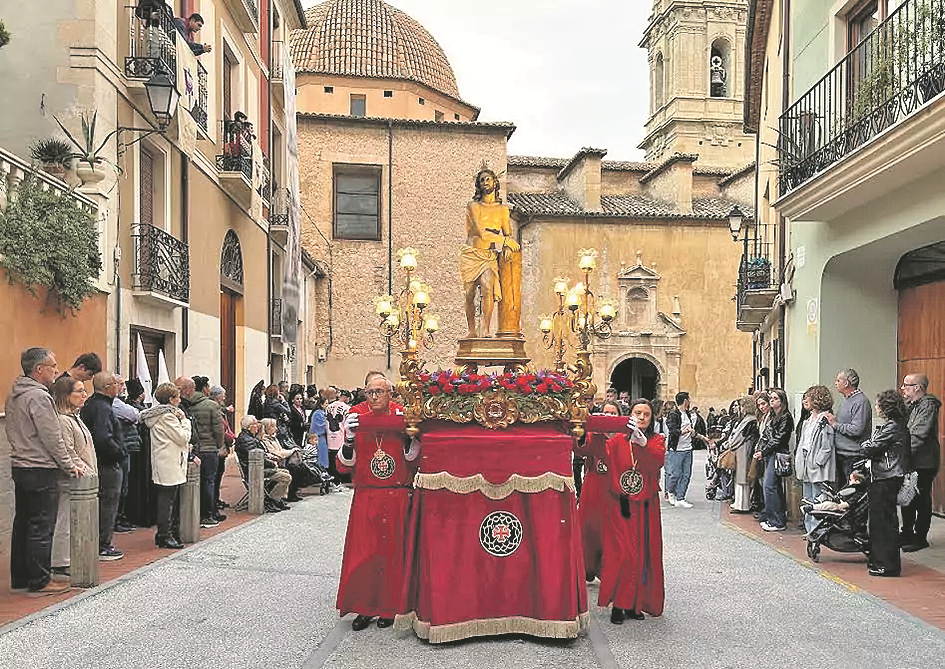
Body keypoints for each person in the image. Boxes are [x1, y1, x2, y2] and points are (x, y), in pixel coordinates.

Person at [337, 371, 417, 631]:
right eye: (370, 392)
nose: (373, 397)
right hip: (367, 496)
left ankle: (389, 608)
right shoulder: (357, 418)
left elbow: (413, 458)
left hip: (396, 496)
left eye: (379, 392)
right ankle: (364, 607)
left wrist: (409, 436)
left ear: (389, 393)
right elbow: (344, 464)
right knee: (365, 554)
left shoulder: (401, 416)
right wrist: (348, 440)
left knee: (393, 555)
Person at [7, 348, 82, 595]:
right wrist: (69, 464)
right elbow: (52, 436)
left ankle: (21, 577)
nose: (57, 370)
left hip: (21, 465)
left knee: (24, 524)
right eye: (53, 365)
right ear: (39, 370)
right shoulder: (39, 397)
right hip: (40, 467)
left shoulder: (15, 393)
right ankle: (39, 581)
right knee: (41, 525)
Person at [593, 399, 666, 623]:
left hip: (645, 506)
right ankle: (619, 603)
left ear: (652, 418)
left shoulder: (656, 440)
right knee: (622, 553)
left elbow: (657, 462)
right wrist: (598, 431)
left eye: (646, 414)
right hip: (621, 503)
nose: (642, 417)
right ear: (630, 415)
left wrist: (643, 445)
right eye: (637, 413)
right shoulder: (617, 441)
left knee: (642, 553)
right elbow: (600, 456)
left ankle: (635, 603)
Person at [460, 168, 521, 338]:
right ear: (478, 186)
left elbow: (508, 233)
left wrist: (508, 247)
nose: (485, 182)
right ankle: (471, 330)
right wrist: (506, 242)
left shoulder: (502, 209)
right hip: (472, 253)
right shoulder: (473, 206)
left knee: (488, 287)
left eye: (488, 179)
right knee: (469, 293)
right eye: (482, 180)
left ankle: (485, 329)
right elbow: (481, 231)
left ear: (495, 182)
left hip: (488, 255)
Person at [51, 376, 98, 579]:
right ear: (65, 395)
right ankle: (61, 561)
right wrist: (84, 471)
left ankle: (73, 556)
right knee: (65, 518)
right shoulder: (62, 420)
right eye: (79, 391)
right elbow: (68, 451)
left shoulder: (75, 417)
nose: (84, 395)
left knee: (75, 520)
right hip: (73, 478)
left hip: (85, 478)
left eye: (84, 391)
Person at [860, 390, 910, 577]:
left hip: (886, 477)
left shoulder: (892, 427)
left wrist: (866, 445)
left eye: (878, 404)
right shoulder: (896, 425)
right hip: (888, 476)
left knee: (882, 523)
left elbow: (871, 447)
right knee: (884, 521)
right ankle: (882, 561)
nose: (876, 407)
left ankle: (886, 564)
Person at [140, 382, 193, 549]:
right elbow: (182, 437)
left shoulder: (162, 415)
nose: (179, 399)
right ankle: (165, 535)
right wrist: (185, 422)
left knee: (168, 500)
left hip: (167, 461)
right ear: (171, 399)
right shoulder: (167, 417)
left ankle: (167, 533)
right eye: (177, 396)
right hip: (168, 462)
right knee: (167, 501)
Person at [81, 372, 127, 561]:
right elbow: (103, 437)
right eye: (116, 384)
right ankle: (103, 544)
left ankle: (100, 542)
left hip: (99, 461)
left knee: (104, 502)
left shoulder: (92, 404)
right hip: (107, 464)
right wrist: (119, 453)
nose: (120, 387)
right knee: (108, 503)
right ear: (108, 387)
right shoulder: (103, 408)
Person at [578, 401, 622, 583]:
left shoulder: (623, 437)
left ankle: (606, 569)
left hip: (614, 489)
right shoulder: (592, 434)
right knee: (588, 528)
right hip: (593, 486)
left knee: (610, 531)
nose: (609, 416)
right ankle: (586, 567)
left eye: (613, 413)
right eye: (605, 413)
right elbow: (581, 451)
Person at [899, 373, 940, 553]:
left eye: (906, 385)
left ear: (917, 387)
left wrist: (902, 453)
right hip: (911, 460)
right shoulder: (910, 406)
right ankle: (906, 532)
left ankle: (920, 536)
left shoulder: (928, 406)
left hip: (924, 461)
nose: (902, 388)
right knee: (907, 497)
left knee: (921, 499)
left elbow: (918, 434)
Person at [183, 376, 225, 528]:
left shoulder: (187, 404)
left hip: (193, 448)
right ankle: (208, 514)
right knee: (209, 481)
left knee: (195, 482)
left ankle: (196, 513)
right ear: (206, 388)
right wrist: (219, 445)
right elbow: (218, 429)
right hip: (209, 448)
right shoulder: (212, 405)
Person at [793, 385, 836, 533]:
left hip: (816, 463)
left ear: (817, 399)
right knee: (807, 497)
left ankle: (818, 529)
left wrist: (818, 461)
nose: (805, 400)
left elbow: (827, 445)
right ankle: (809, 527)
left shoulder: (825, 419)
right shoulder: (809, 419)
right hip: (806, 460)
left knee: (818, 497)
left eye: (808, 397)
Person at [754, 388, 794, 532]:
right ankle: (773, 517)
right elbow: (766, 435)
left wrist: (763, 451)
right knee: (772, 486)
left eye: (775, 398)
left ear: (782, 401)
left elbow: (779, 439)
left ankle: (777, 520)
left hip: (777, 454)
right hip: (771, 453)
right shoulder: (774, 416)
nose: (772, 400)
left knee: (770, 486)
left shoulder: (785, 417)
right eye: (771, 398)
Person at [826, 368, 872, 490]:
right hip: (842, 453)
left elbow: (857, 429)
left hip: (852, 455)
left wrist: (836, 424)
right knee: (842, 491)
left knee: (851, 491)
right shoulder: (846, 400)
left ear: (846, 383)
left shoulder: (860, 401)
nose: (835, 383)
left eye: (838, 380)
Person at [234, 416, 292, 511]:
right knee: (286, 477)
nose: (258, 426)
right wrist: (272, 464)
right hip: (254, 471)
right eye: (255, 424)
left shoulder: (248, 438)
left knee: (285, 472)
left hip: (256, 468)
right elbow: (257, 457)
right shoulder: (246, 440)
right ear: (250, 427)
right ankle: (273, 499)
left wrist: (269, 458)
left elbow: (262, 455)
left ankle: (275, 498)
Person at [112, 375, 141, 533]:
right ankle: (117, 519)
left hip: (126, 447)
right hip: (122, 449)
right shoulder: (115, 404)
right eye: (120, 384)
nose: (124, 387)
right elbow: (135, 415)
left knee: (124, 485)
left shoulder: (119, 403)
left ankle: (120, 517)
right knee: (120, 486)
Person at [664, 391, 696, 508]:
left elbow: (691, 428)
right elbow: (672, 430)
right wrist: (684, 431)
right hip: (676, 449)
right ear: (685, 401)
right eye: (689, 399)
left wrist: (692, 432)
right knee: (675, 474)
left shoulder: (688, 414)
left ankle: (681, 497)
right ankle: (670, 491)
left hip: (688, 448)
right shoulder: (674, 415)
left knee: (686, 474)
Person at [727, 396, 759, 513]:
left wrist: (730, 444)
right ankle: (739, 503)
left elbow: (739, 436)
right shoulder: (750, 419)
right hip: (743, 450)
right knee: (741, 477)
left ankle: (743, 505)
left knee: (742, 478)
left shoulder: (749, 420)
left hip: (744, 450)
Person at [210, 385, 235, 511]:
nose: (225, 397)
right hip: (217, 447)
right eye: (223, 395)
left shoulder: (220, 409)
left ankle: (216, 500)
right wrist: (228, 437)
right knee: (214, 476)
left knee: (218, 475)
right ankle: (213, 503)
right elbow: (220, 429)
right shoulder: (215, 410)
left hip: (221, 447)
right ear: (217, 396)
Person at [325, 388, 351, 486]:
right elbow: (347, 424)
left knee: (332, 459)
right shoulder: (347, 408)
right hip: (341, 437)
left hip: (330, 436)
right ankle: (341, 479)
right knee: (340, 459)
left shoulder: (328, 407)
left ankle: (334, 479)